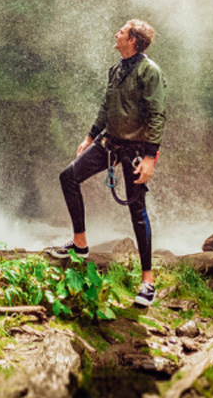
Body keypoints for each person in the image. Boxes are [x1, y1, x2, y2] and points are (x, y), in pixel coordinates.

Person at [49, 19, 167, 307]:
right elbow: (106, 105)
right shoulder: (116, 68)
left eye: (122, 31)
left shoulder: (149, 71)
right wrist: (89, 137)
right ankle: (80, 244)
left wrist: (150, 158)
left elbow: (158, 115)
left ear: (134, 41)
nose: (116, 33)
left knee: (137, 211)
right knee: (69, 177)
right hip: (108, 142)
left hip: (137, 150)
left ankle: (147, 282)